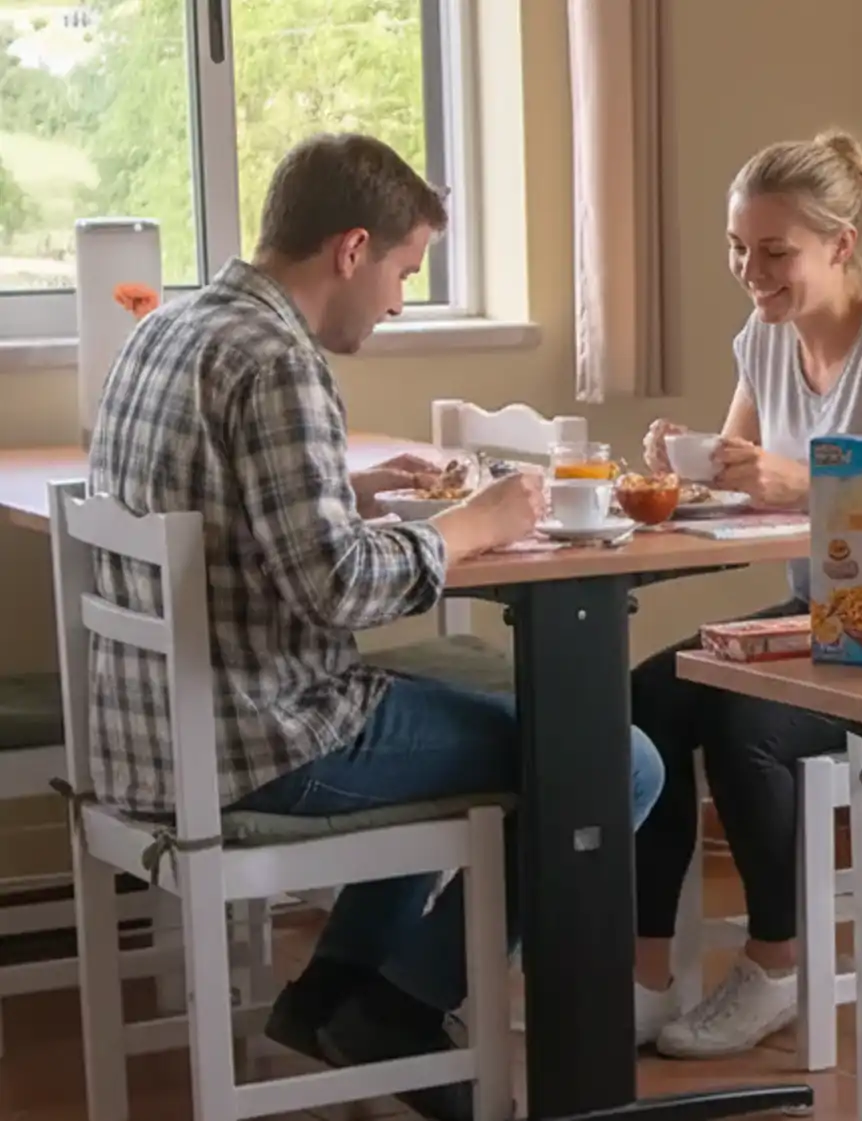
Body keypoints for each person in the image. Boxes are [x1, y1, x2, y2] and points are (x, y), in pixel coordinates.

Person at [85, 133, 666, 1121]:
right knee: (616, 757)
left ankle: (332, 992)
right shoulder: (277, 361)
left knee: (452, 730)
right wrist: (476, 523)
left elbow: (219, 505)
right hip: (264, 739)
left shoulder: (171, 328)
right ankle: (397, 1003)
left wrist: (346, 486)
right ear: (353, 249)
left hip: (152, 731)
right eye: (404, 270)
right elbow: (338, 588)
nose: (400, 298)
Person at [624, 128, 862, 1057]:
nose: (752, 270)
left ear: (842, 242)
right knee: (644, 700)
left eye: (775, 251)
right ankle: (643, 973)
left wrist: (807, 485)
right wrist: (691, 466)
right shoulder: (766, 336)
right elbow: (753, 481)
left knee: (749, 725)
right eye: (739, 248)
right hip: (816, 615)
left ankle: (773, 968)